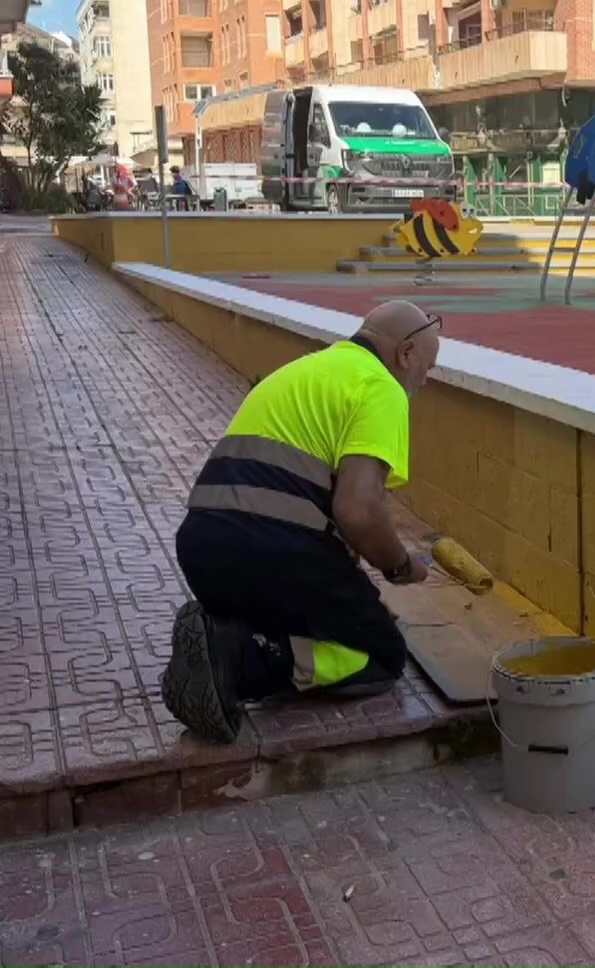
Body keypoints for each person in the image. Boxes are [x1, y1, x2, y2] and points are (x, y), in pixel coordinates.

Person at [162, 301, 443, 743]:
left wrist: (357, 598)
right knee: (383, 653)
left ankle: (225, 632)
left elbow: (325, 516)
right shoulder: (380, 385)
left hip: (202, 549)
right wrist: (401, 568)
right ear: (406, 354)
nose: (425, 379)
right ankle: (237, 660)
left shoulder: (306, 371)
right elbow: (358, 510)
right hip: (273, 551)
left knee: (339, 614)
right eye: (429, 365)